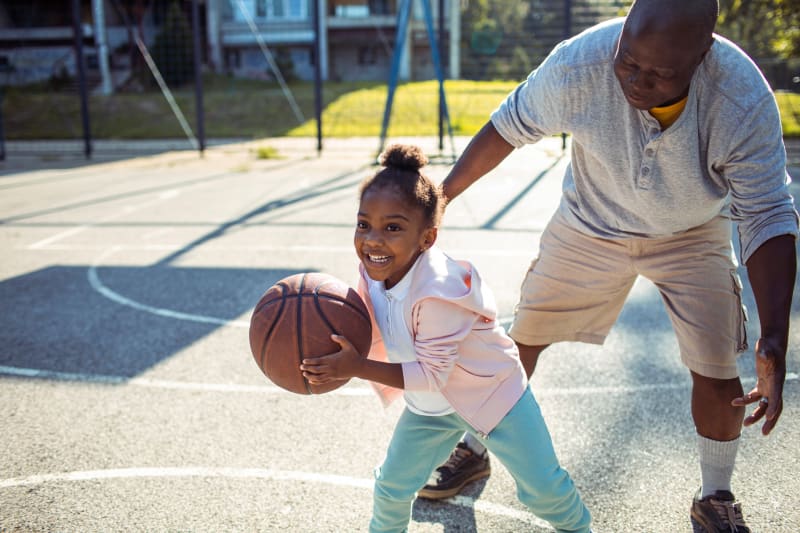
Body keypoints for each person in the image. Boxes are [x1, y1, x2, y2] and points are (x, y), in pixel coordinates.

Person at [418, 0, 799, 531]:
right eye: (629, 61)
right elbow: (509, 125)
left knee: (718, 367)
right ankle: (473, 445)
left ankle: (715, 495)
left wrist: (775, 337)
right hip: (590, 222)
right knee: (519, 339)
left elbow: (767, 214)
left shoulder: (740, 97)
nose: (638, 81)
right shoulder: (583, 62)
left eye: (660, 73)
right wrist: (440, 199)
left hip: (691, 234)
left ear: (701, 56)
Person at [300, 144, 593, 533]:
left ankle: (580, 529)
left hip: (494, 396)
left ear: (427, 238)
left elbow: (432, 373)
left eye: (393, 227)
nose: (372, 240)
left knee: (543, 490)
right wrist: (318, 338)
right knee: (391, 485)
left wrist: (355, 366)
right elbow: (366, 322)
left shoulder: (439, 291)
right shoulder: (372, 270)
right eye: (363, 224)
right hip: (430, 409)